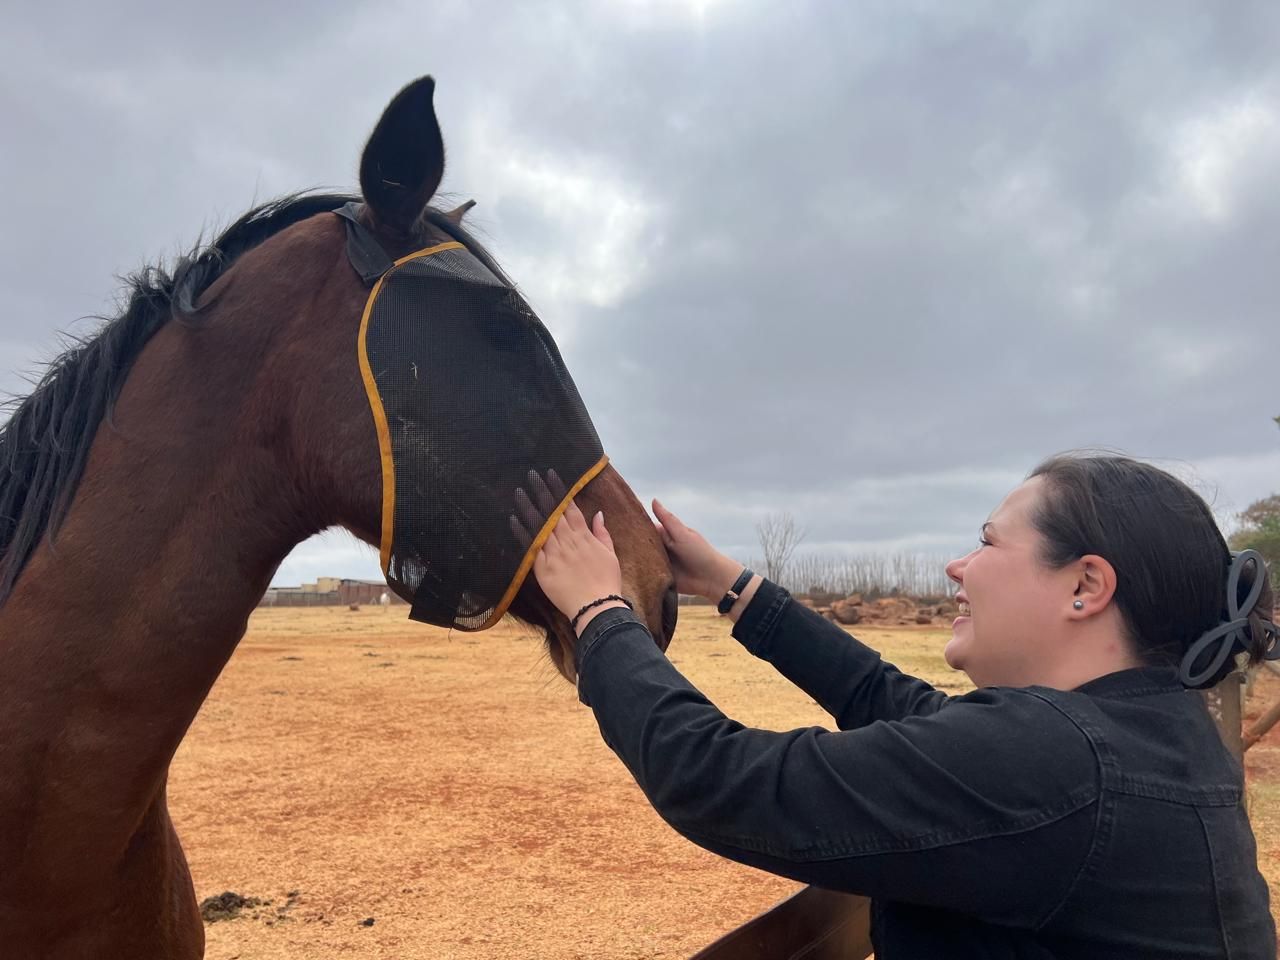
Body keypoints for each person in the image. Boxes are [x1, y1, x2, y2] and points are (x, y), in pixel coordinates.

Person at [517, 453, 1278, 958]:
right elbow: (894, 703)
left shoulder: (1061, 766)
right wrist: (734, 588)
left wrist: (600, 617)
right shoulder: (1151, 732)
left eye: (986, 542)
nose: (957, 565)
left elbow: (720, 780)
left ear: (1086, 586)